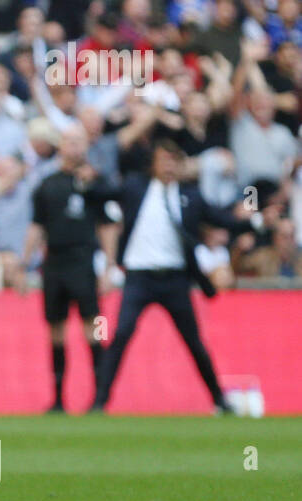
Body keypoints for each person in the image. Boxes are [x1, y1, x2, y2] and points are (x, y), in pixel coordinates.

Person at [91, 139, 265, 415]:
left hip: (174, 279)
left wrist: (252, 222)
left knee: (193, 341)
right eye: (164, 160)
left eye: (174, 161)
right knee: (122, 334)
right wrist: (89, 179)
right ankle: (100, 401)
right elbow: (105, 193)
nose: (169, 166)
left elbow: (219, 219)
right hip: (139, 277)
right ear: (154, 164)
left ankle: (219, 400)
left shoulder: (190, 196)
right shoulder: (135, 187)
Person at [23, 122, 109, 413]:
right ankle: (58, 398)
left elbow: (109, 225)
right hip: (54, 262)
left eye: (79, 141)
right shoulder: (48, 185)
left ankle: (100, 396)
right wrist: (24, 264)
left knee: (92, 326)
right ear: (61, 146)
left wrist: (109, 267)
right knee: (55, 329)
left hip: (83, 260)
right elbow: (37, 226)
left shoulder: (96, 183)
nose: (75, 147)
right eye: (70, 141)